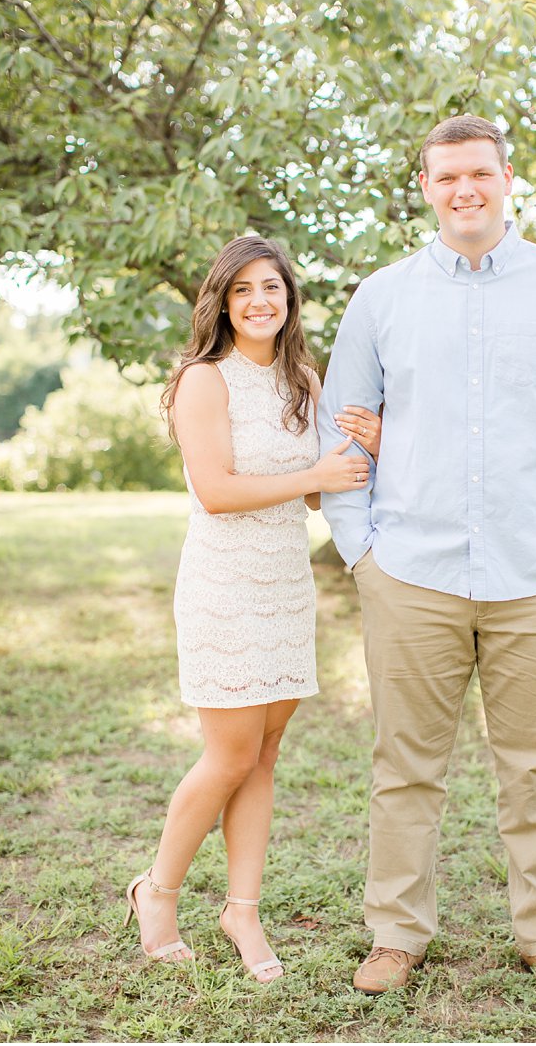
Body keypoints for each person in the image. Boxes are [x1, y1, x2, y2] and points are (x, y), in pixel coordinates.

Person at [318, 114, 536, 999]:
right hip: (409, 571)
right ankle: (395, 932)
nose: (465, 189)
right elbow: (342, 425)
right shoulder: (381, 298)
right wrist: (361, 549)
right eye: (446, 176)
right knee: (404, 767)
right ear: (424, 186)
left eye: (480, 174)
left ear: (507, 178)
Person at [129, 235, 372, 982]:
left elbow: (320, 485)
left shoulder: (303, 377)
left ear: (289, 299)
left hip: (285, 583)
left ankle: (243, 908)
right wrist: (316, 470)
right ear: (223, 302)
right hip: (224, 584)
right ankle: (157, 891)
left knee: (265, 755)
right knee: (229, 753)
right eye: (243, 290)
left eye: (272, 287)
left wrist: (370, 444)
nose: (260, 300)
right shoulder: (204, 379)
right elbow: (217, 489)